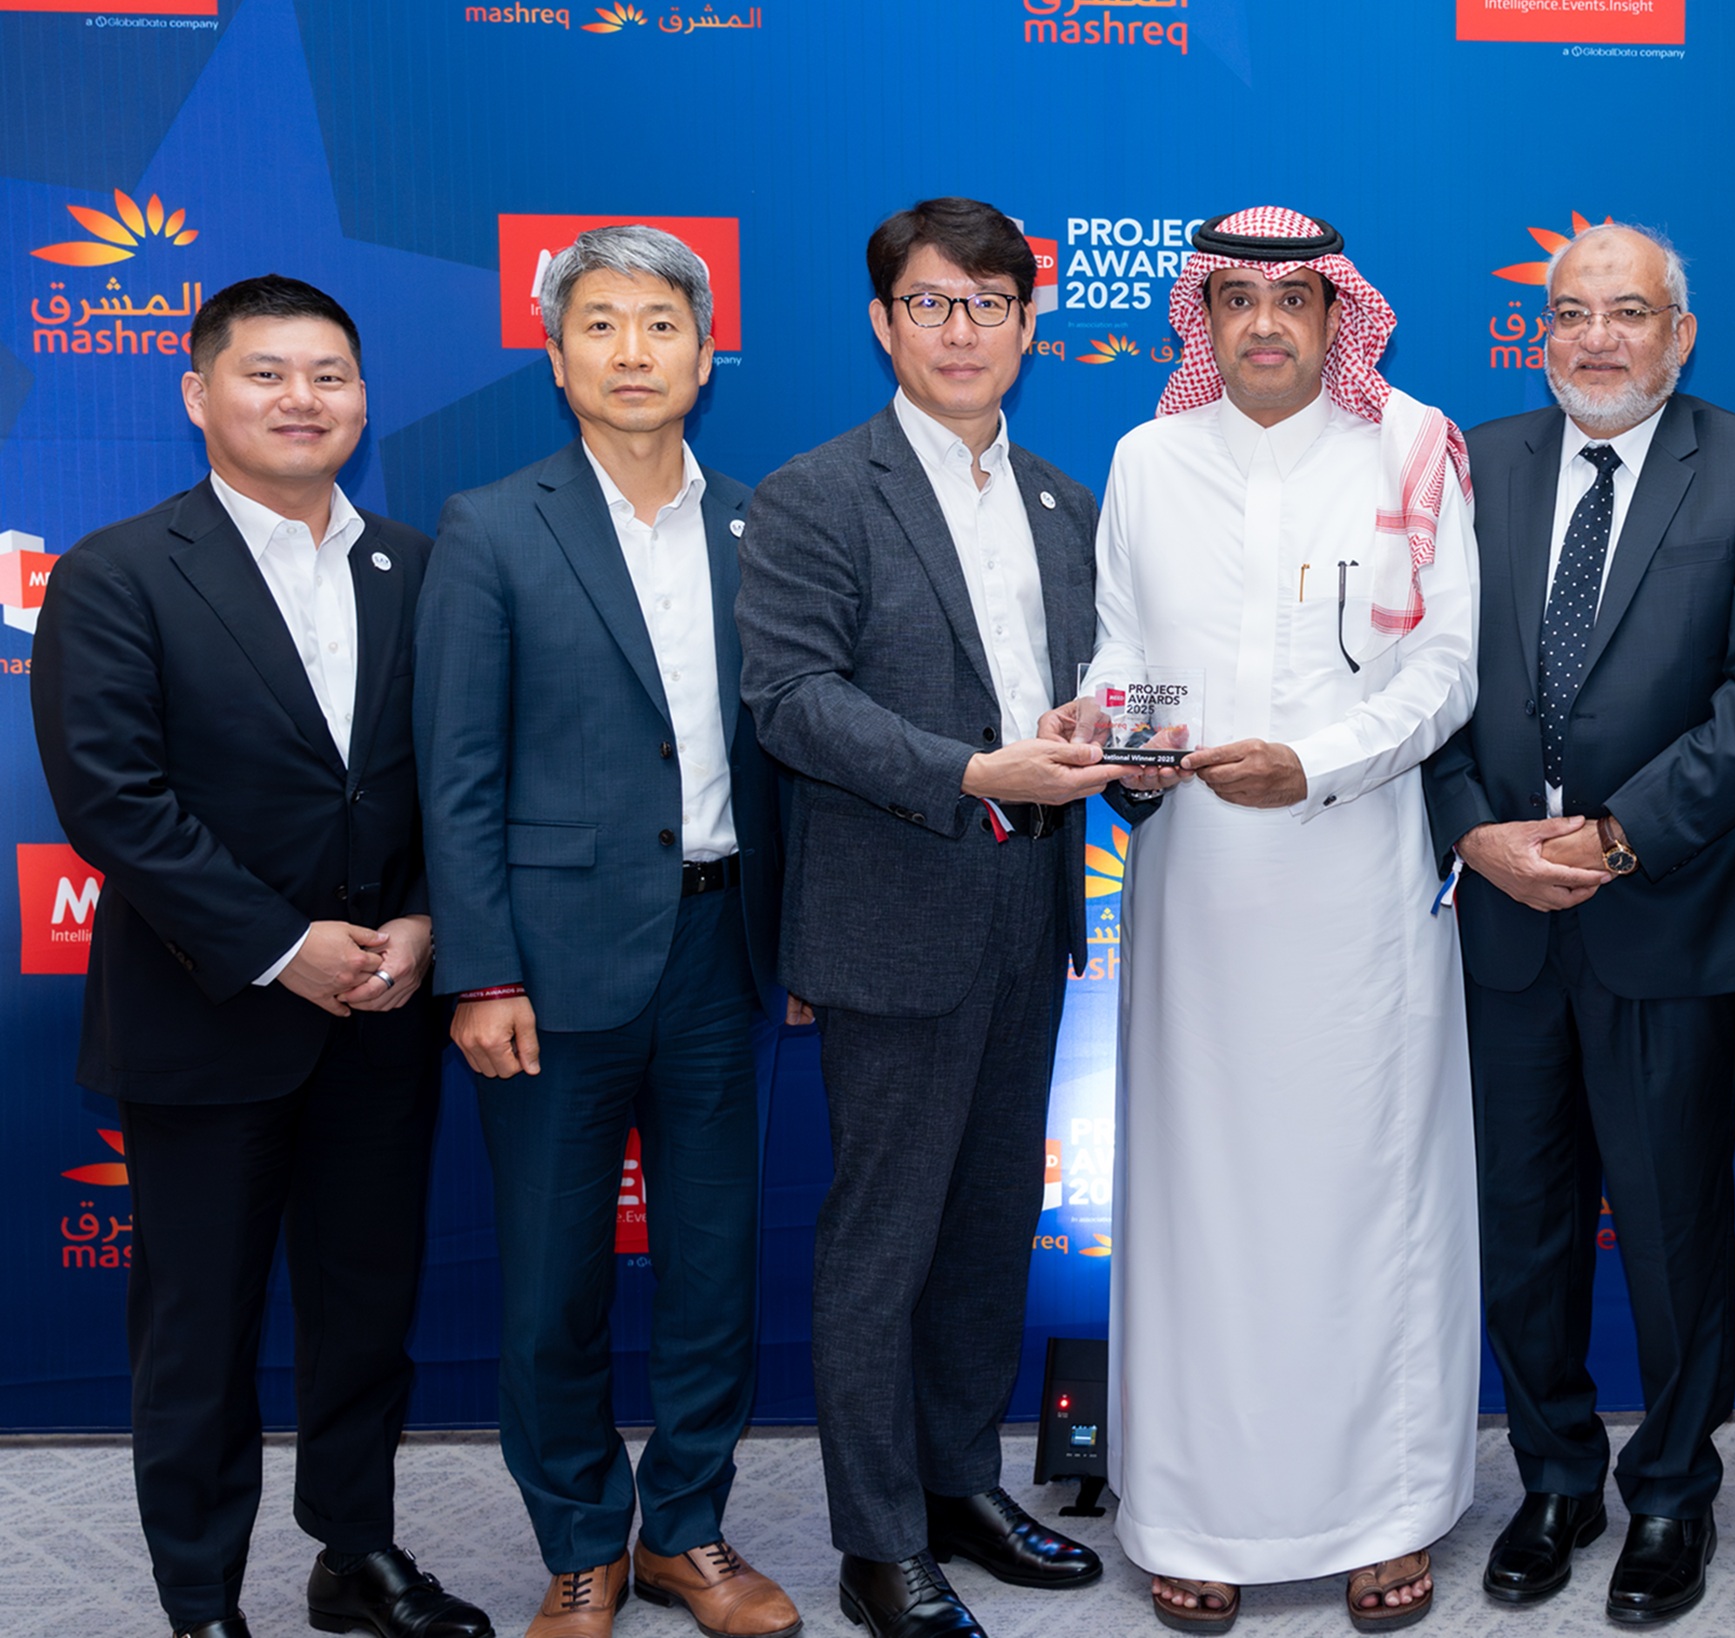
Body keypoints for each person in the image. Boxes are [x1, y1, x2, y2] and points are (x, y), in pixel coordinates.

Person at [29, 276, 489, 1638]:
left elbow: (459, 774)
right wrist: (281, 946)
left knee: (366, 1312)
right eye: (267, 373)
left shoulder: (420, 565)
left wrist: (426, 921)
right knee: (199, 1329)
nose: (302, 399)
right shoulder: (119, 570)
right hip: (204, 1013)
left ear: (363, 398)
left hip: (384, 1010)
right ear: (199, 392)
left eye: (329, 375)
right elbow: (112, 798)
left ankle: (355, 1552)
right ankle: (200, 1596)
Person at [1075, 205, 1481, 1634]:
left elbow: (1447, 670)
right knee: (1202, 1200)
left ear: (1333, 317)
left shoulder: (1412, 448)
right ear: (1201, 317)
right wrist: (1115, 734)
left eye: (1293, 300)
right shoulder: (1147, 459)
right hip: (1196, 883)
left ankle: (1384, 1512)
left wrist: (1317, 762)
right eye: (1235, 300)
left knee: (1368, 1194)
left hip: (1360, 876)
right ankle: (1196, 1513)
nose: (1263, 324)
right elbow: (1124, 645)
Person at [1423, 221, 1735, 1625]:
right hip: (1501, 918)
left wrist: (1615, 835)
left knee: (1670, 1231)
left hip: (1662, 910)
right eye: (1572, 312)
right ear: (1540, 328)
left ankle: (1670, 1490)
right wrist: (1471, 828)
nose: (1597, 338)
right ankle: (1555, 1477)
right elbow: (1419, 675)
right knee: (1523, 1229)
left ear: (1680, 332)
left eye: (1629, 312)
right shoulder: (1477, 460)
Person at [735, 197, 1114, 1638]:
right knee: (883, 1240)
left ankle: (962, 1485)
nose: (963, 331)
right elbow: (792, 700)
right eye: (932, 304)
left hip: (1033, 905)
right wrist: (970, 770)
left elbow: (1070, 688)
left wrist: (1085, 732)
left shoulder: (1064, 499)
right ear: (884, 324)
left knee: (990, 1224)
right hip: (893, 913)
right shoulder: (817, 493)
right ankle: (878, 1538)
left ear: (1030, 324)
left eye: (990, 304)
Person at [414, 226, 797, 1638]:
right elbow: (458, 771)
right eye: (600, 325)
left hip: (720, 947)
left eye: (660, 325)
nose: (633, 352)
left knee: (713, 1267)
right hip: (549, 962)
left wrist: (798, 944)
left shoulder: (765, 523)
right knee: (550, 1281)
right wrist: (482, 970)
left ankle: (687, 1530)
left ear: (705, 355)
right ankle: (580, 1540)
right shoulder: (492, 525)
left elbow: (791, 752)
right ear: (557, 354)